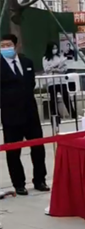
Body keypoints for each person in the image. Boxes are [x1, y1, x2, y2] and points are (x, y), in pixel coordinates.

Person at [0, 34, 49, 195]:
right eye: (2, 46)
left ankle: (40, 180)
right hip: (11, 115)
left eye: (8, 45)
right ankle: (19, 183)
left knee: (38, 148)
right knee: (13, 152)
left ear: (16, 46)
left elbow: (31, 83)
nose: (5, 48)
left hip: (30, 114)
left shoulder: (27, 62)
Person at [42, 42, 77, 121]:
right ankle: (55, 116)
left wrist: (59, 69)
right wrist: (54, 67)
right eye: (53, 48)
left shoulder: (60, 56)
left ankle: (73, 114)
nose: (55, 50)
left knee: (66, 98)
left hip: (61, 80)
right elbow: (46, 69)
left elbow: (65, 68)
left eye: (56, 48)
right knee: (53, 99)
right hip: (52, 81)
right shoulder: (45, 58)